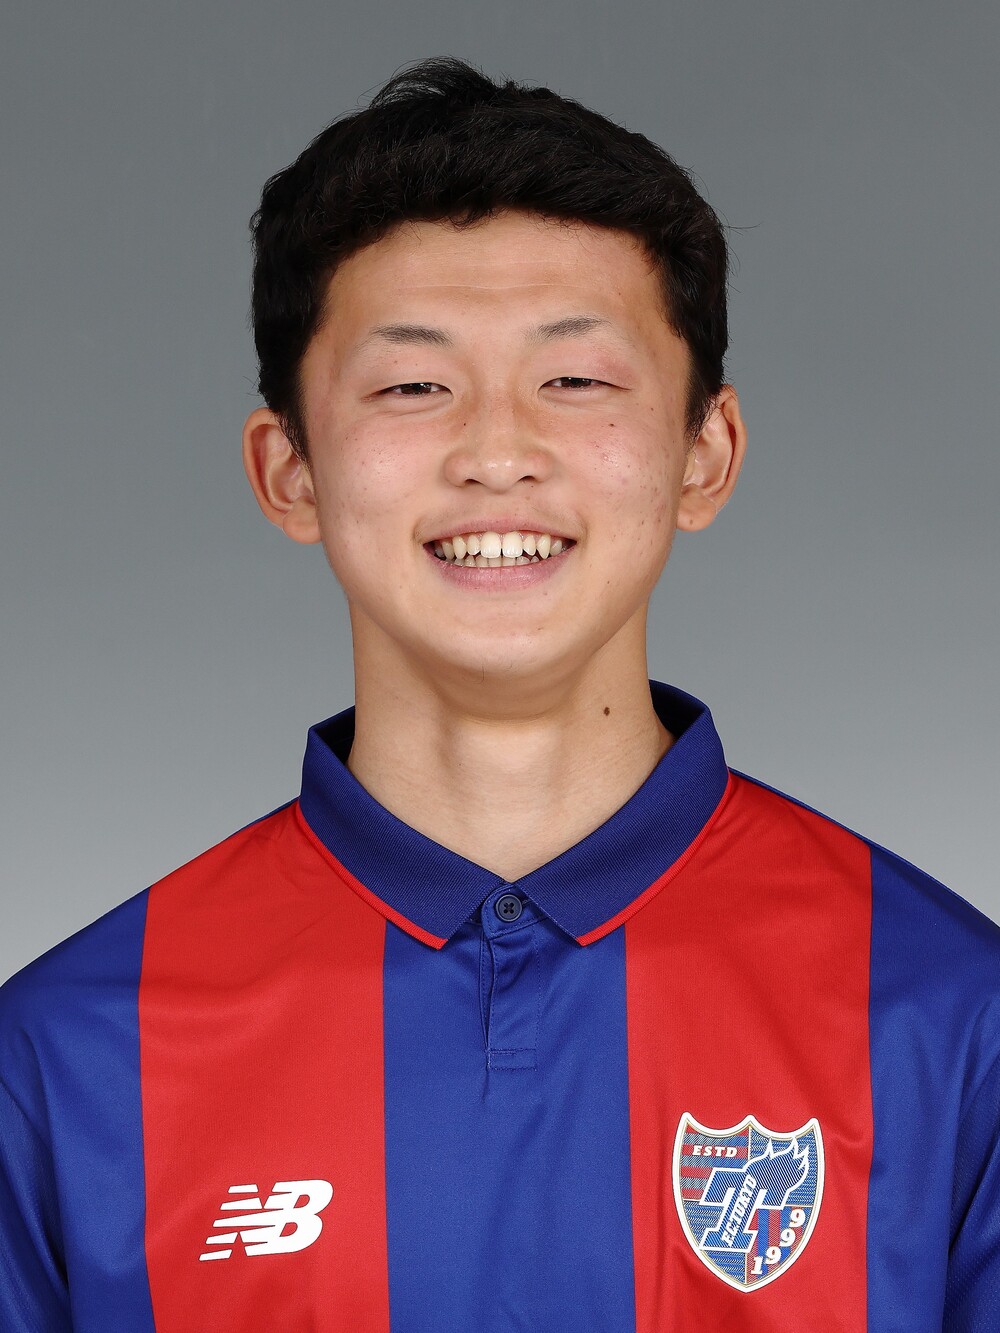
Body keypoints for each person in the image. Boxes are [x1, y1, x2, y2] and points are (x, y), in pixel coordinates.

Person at [1, 56, 997, 1333]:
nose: (496, 452)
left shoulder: (946, 1012)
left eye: (575, 380)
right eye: (412, 387)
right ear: (289, 470)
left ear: (705, 454)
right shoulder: (71, 1053)